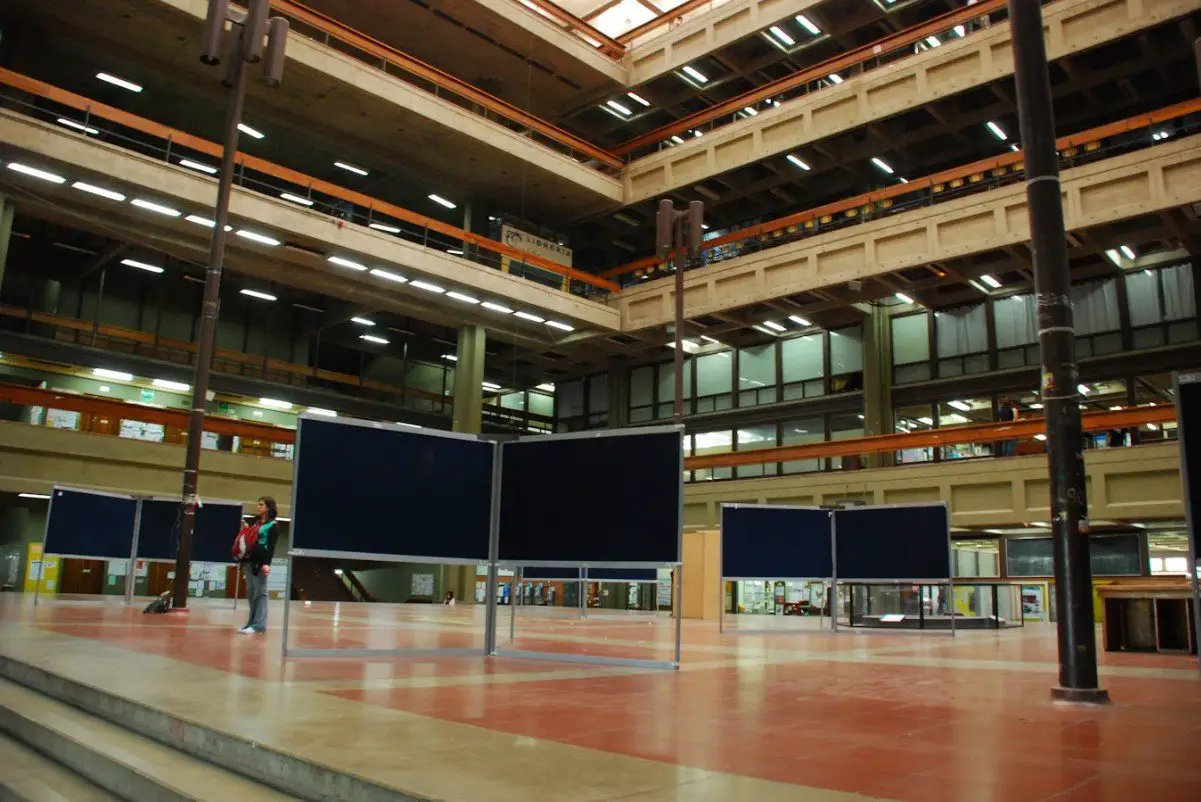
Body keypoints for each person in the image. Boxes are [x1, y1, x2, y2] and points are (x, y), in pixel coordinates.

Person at [239, 496, 279, 634]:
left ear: (268, 508)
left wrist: (267, 564)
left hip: (260, 562)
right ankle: (251, 623)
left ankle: (259, 625)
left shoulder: (273, 526)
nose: (258, 507)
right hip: (249, 560)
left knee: (260, 593)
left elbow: (271, 546)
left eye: (261, 504)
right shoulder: (257, 524)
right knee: (251, 593)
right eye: (258, 504)